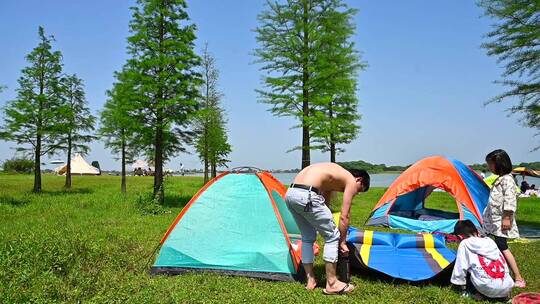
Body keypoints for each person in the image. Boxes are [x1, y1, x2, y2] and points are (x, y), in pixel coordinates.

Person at [284, 163, 370, 295]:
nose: (355, 193)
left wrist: (324, 221)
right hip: (307, 194)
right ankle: (332, 284)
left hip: (290, 194)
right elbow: (344, 216)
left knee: (308, 237)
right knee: (332, 236)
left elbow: (325, 205)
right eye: (359, 190)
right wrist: (342, 241)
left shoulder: (333, 175)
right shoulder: (351, 180)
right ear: (359, 180)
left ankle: (310, 280)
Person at [483, 149, 526, 288]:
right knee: (493, 246)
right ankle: (497, 271)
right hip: (493, 221)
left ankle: (518, 277)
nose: (489, 167)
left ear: (499, 163)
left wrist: (507, 218)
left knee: (502, 246)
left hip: (501, 220)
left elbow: (509, 200)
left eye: (490, 164)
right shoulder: (499, 179)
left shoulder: (507, 179)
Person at [451, 220, 514, 300]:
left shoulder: (464, 243)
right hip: (507, 288)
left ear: (460, 237)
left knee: (470, 273)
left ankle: (477, 294)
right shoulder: (490, 241)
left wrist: (461, 288)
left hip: (486, 287)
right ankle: (499, 295)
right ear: (477, 231)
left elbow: (460, 267)